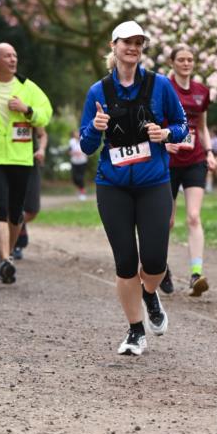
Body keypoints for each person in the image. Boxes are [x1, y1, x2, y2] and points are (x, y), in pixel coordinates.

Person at [79, 21, 187, 356]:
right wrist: (96, 130)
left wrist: (166, 134)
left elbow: (182, 125)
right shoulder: (98, 92)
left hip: (154, 183)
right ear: (113, 46)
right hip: (112, 186)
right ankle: (135, 330)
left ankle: (150, 293)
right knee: (126, 262)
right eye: (127, 42)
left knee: (154, 262)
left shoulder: (161, 85)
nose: (134, 48)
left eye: (139, 43)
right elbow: (85, 145)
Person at [0, 42, 53, 283]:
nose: (12, 59)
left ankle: (7, 252)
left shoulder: (27, 88)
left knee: (17, 213)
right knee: (1, 207)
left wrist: (27, 109)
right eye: (7, 56)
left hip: (21, 157)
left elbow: (45, 114)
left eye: (15, 55)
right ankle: (5, 259)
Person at [159, 44, 216, 298]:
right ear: (172, 63)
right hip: (168, 162)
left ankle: (196, 274)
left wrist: (210, 151)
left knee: (193, 216)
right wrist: (164, 141)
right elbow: (154, 121)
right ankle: (161, 267)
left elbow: (202, 126)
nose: (186, 63)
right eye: (181, 59)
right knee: (166, 221)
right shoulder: (163, 88)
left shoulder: (201, 92)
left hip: (195, 159)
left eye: (190, 59)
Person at [13, 126, 48, 260]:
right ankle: (12, 245)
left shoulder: (29, 110)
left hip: (31, 161)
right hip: (7, 161)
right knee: (12, 205)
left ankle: (18, 226)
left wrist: (41, 150)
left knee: (32, 209)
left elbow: (43, 134)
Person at [69, 129, 88, 199]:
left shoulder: (83, 140)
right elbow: (69, 151)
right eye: (75, 133)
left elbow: (87, 150)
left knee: (80, 177)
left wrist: (82, 153)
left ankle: (82, 193)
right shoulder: (71, 141)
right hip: (74, 161)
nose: (76, 134)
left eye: (77, 133)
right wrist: (73, 153)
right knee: (74, 177)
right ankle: (79, 189)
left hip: (82, 161)